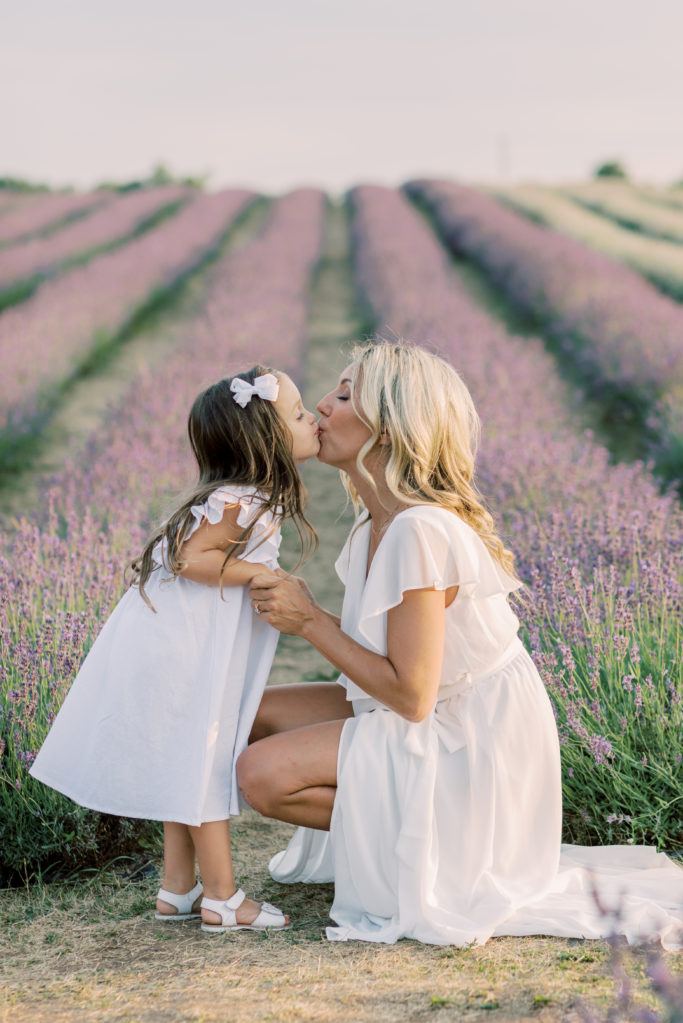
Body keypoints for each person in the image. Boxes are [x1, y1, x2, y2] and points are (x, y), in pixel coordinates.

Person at [238, 340, 683, 948]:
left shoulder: (419, 529)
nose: (320, 405)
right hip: (437, 709)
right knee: (253, 715)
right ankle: (404, 827)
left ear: (390, 430)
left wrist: (310, 621)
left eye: (345, 396)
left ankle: (439, 843)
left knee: (261, 776)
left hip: (468, 738)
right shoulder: (379, 521)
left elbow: (412, 696)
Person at [30, 366, 319, 933]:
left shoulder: (242, 496)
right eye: (298, 413)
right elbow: (192, 560)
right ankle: (224, 898)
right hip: (186, 653)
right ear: (266, 440)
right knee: (203, 766)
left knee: (181, 764)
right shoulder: (244, 500)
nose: (311, 419)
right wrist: (261, 572)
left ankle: (176, 889)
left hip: (173, 644)